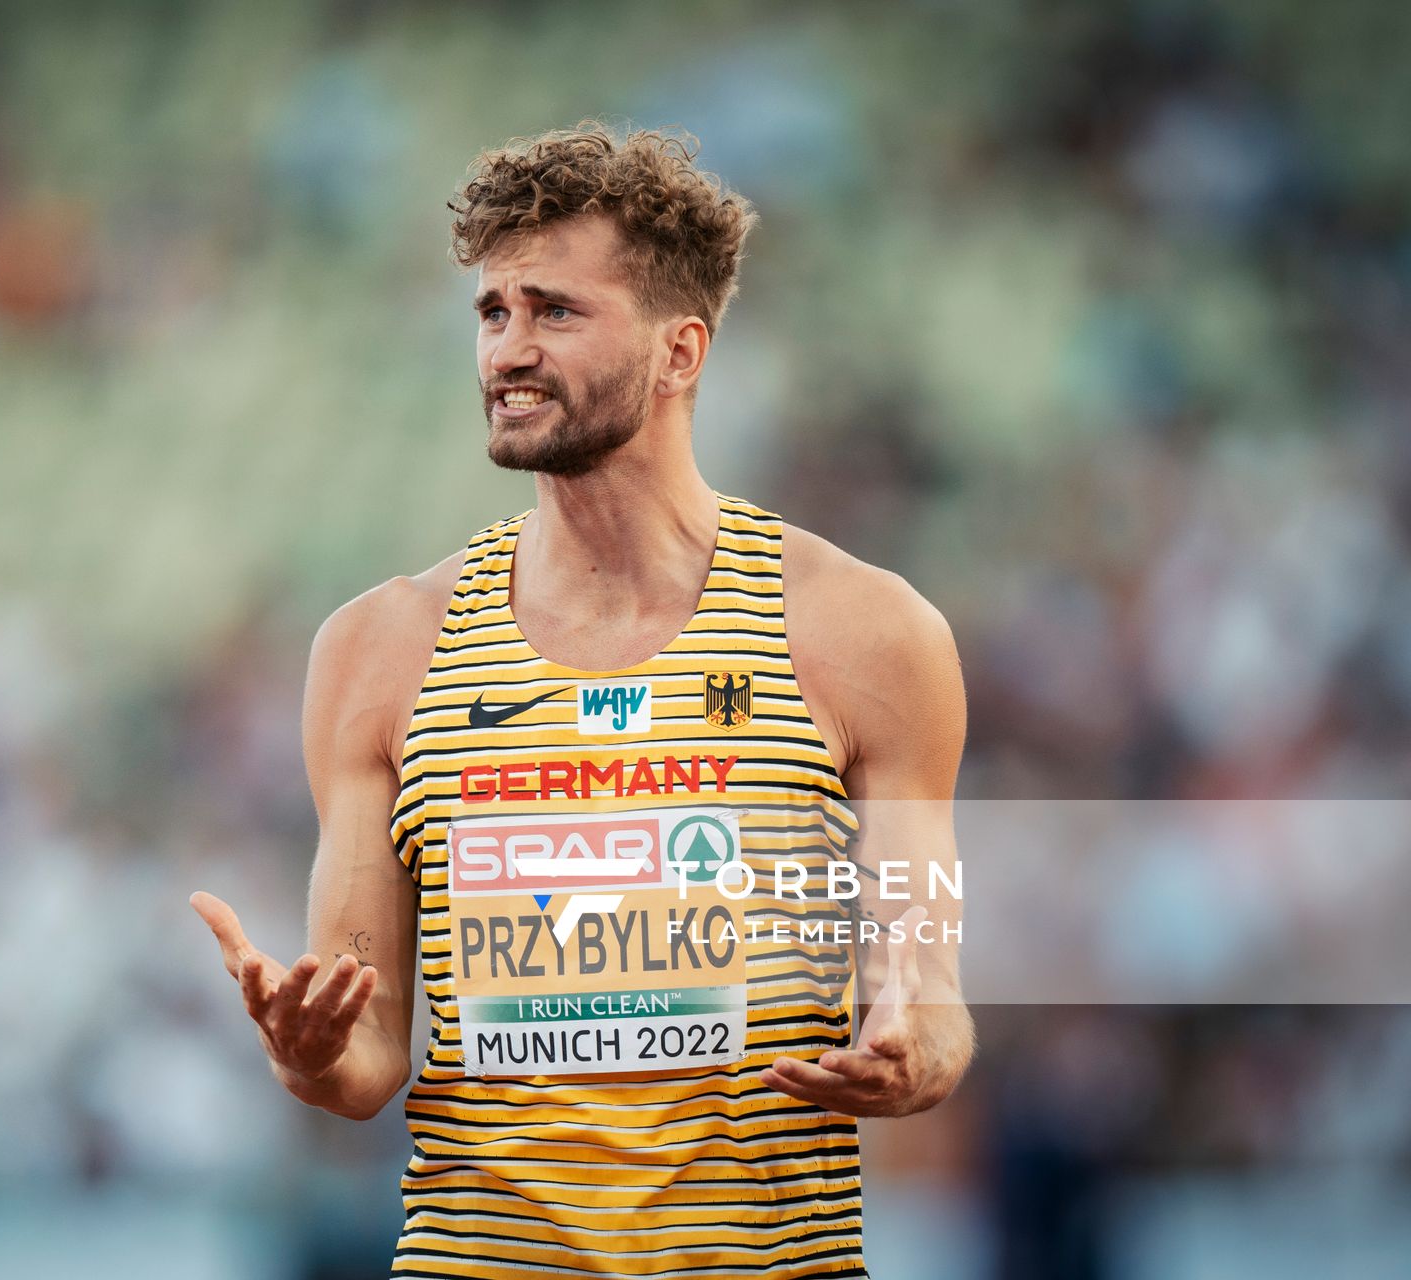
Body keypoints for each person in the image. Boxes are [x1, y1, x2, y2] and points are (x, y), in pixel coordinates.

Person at [192, 122, 973, 1278]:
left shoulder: (863, 636)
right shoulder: (379, 652)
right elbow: (363, 1059)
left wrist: (916, 1055)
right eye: (492, 311)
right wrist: (304, 1050)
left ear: (680, 350)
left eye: (555, 311)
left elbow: (935, 1000)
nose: (508, 349)